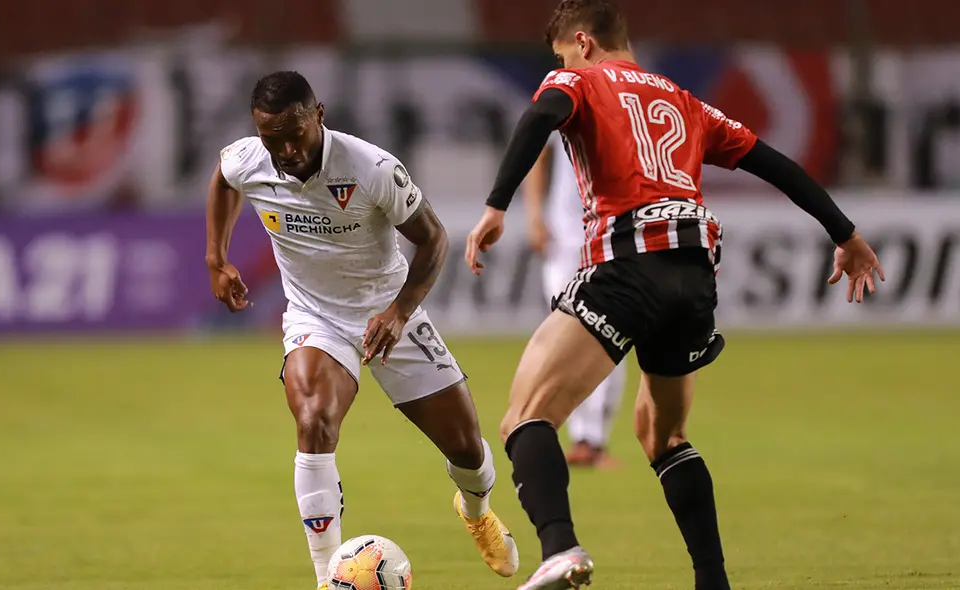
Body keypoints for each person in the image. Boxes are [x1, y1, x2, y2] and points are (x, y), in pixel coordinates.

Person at [464, 1, 885, 589]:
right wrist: (847, 235)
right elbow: (774, 164)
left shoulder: (577, 79)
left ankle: (560, 549)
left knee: (524, 419)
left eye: (560, 54)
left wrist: (496, 206)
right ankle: (713, 581)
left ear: (581, 44)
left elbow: (539, 118)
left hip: (629, 263)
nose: (557, 64)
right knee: (663, 436)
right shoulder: (685, 101)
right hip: (695, 275)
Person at [206, 71, 519, 590]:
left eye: (295, 134)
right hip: (315, 317)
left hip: (391, 310)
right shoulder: (249, 158)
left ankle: (476, 508)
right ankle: (327, 579)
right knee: (314, 420)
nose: (284, 149)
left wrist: (397, 314)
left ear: (319, 114)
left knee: (467, 449)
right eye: (271, 138)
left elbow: (434, 239)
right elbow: (223, 178)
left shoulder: (370, 167)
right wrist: (216, 258)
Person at [524, 132, 626, 469]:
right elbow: (535, 154)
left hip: (613, 238)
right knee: (564, 337)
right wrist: (535, 215)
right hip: (564, 239)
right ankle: (580, 435)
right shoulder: (565, 96)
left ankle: (591, 438)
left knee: (610, 334)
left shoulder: (625, 99)